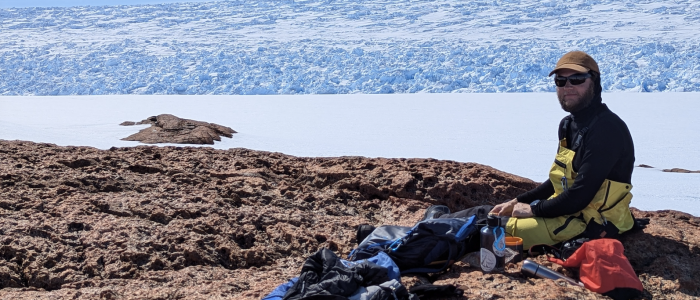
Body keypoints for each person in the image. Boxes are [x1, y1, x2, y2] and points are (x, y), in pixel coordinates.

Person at [430, 51, 636, 249]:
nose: (568, 86)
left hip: (591, 224)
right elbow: (558, 182)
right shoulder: (568, 125)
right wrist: (518, 201)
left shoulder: (606, 130)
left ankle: (429, 230)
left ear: (595, 82)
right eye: (561, 81)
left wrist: (533, 209)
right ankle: (433, 223)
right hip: (568, 214)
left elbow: (580, 195)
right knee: (490, 213)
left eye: (577, 79)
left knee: (489, 229)